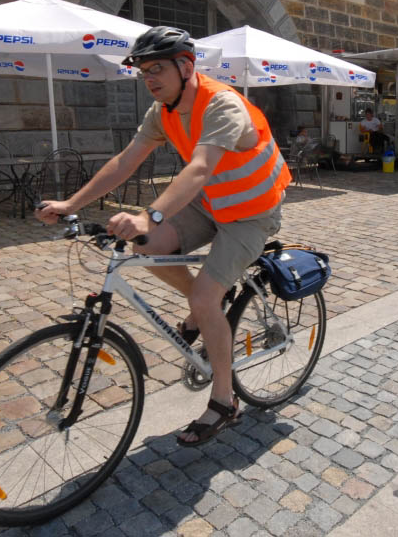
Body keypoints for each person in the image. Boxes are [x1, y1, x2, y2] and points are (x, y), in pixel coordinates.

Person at [34, 26, 290, 448]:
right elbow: (125, 161)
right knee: (146, 247)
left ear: (185, 66)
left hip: (251, 212)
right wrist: (71, 204)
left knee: (204, 296)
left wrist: (149, 214)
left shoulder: (222, 104)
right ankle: (206, 311)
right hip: (209, 205)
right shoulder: (162, 112)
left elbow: (200, 168)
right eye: (142, 71)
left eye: (156, 69)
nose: (149, 78)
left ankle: (224, 401)